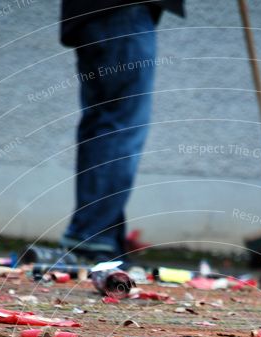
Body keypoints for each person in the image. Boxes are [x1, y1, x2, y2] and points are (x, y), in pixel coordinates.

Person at [60, 1, 185, 261]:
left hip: (91, 15)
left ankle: (104, 241)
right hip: (124, 12)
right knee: (119, 125)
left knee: (102, 124)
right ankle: (91, 237)